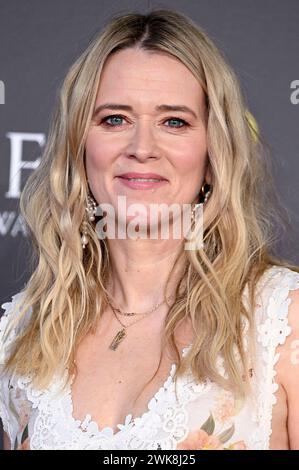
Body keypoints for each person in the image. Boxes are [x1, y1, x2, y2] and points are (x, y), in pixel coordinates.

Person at [1, 8, 299, 451]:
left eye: (173, 121)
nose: (142, 148)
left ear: (213, 153)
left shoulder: (281, 321)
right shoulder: (20, 337)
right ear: (78, 147)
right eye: (114, 119)